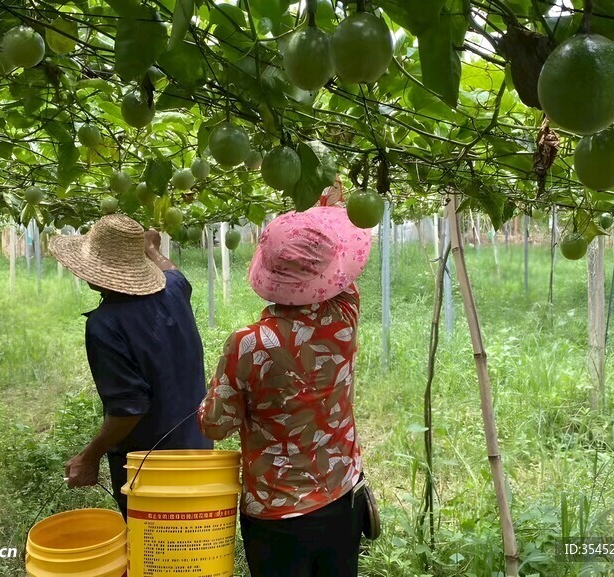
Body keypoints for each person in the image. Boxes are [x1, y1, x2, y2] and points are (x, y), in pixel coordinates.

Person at [198, 195, 373, 577]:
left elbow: (215, 424)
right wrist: (327, 206)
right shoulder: (344, 317)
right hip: (342, 493)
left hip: (276, 511)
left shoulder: (248, 344)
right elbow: (343, 277)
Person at [50, 214, 213, 517]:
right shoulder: (174, 293)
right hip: (197, 449)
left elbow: (129, 409)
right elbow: (175, 273)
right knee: (193, 546)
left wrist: (90, 455)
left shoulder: (105, 325)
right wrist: (152, 249)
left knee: (152, 551)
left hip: (149, 466)